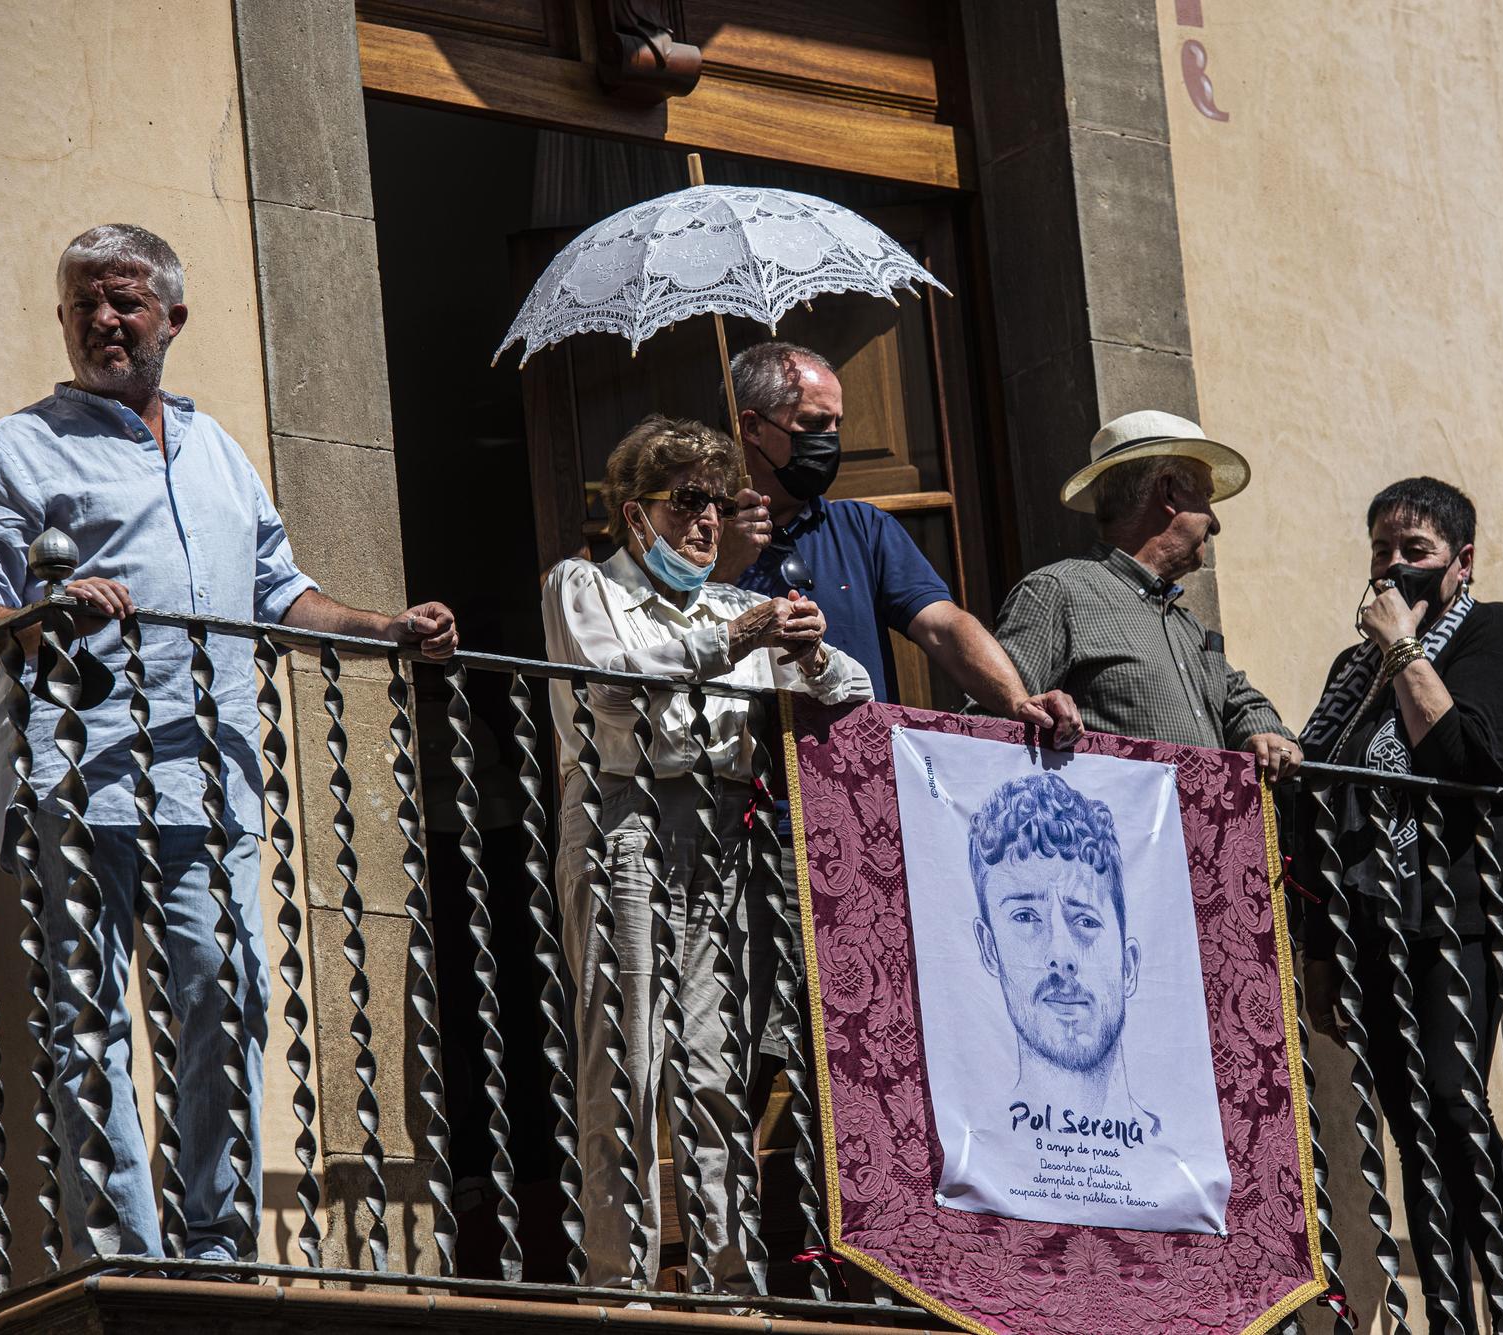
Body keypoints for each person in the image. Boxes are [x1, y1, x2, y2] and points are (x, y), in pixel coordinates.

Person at [0, 223, 458, 1262]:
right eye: (82, 301)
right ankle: (124, 1248)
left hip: (209, 782)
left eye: (123, 301)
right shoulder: (11, 452)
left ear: (173, 317)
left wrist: (381, 632)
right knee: (84, 1024)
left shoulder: (217, 451)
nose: (101, 320)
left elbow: (277, 592)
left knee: (229, 996)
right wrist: (43, 617)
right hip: (72, 781)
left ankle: (215, 1243)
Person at [542, 414, 871, 1292]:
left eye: (719, 503)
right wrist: (739, 638)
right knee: (629, 1063)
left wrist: (810, 649)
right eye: (687, 499)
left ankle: (730, 1278)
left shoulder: (735, 605)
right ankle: (622, 1281)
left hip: (722, 841)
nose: (707, 520)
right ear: (633, 511)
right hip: (627, 828)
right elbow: (616, 678)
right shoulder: (584, 584)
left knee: (718, 1068)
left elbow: (852, 690)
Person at [1291, 477, 1503, 1335]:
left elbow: (1469, 756)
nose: (1394, 567)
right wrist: (1318, 949)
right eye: (1381, 552)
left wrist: (1406, 651)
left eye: (1416, 551)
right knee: (1412, 1128)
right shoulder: (1350, 672)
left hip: (1458, 910)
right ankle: (1450, 1315)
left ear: (1462, 562)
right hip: (1374, 928)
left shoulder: (1493, 633)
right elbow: (1317, 799)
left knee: (1455, 1102)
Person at [712, 341, 1079, 740]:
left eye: (838, 424)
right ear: (751, 427)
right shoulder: (694, 536)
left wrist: (1016, 700)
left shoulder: (864, 528)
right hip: (749, 787)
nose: (832, 440)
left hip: (865, 780)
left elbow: (943, 626)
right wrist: (727, 564)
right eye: (815, 425)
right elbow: (671, 648)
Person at [992, 410, 1301, 777]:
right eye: (1205, 497)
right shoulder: (1057, 593)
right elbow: (987, 727)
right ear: (1169, 492)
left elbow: (1243, 703)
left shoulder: (1186, 626)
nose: (1214, 521)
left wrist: (1265, 734)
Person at [969, 773, 1146, 1127]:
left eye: (1085, 921)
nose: (1061, 955)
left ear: (1128, 966)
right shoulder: (971, 1147)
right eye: (1025, 916)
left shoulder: (1184, 1159)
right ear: (990, 949)